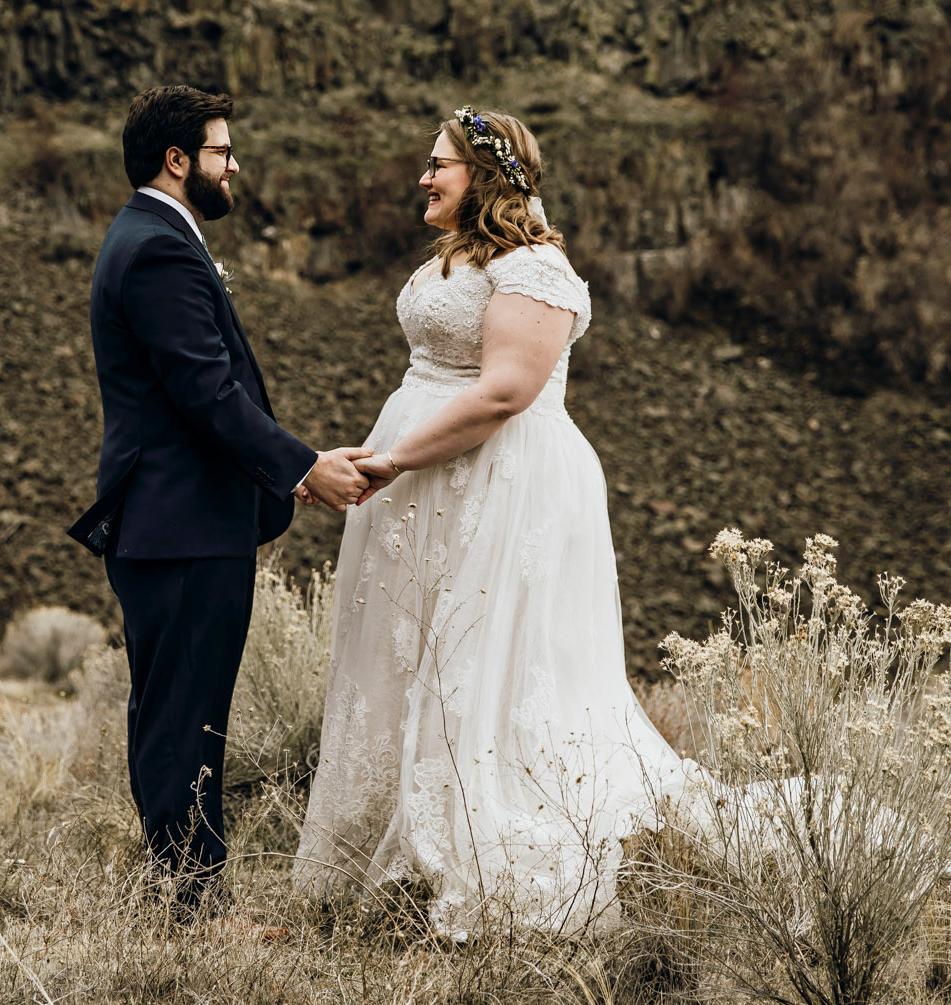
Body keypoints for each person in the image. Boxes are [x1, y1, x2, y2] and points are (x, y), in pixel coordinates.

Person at [293, 106, 697, 936]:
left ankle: (474, 852)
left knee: (487, 667)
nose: (424, 175)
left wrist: (394, 459)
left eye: (439, 162)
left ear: (483, 174)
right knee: (403, 662)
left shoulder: (534, 268)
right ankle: (370, 861)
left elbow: (507, 392)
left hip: (501, 488)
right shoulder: (454, 257)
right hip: (424, 488)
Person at [70, 84, 373, 918]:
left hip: (177, 521)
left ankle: (183, 886)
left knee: (181, 708)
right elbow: (208, 392)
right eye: (221, 150)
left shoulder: (151, 235)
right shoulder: (160, 248)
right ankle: (186, 898)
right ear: (178, 160)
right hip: (180, 524)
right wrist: (305, 467)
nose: (235, 163)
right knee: (184, 715)